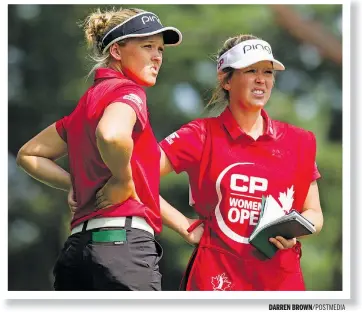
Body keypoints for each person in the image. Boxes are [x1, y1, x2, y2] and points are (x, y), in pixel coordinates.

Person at [16, 7, 185, 291]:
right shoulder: (128, 92)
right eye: (147, 47)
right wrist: (122, 179)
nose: (157, 56)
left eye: (160, 49)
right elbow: (111, 134)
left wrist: (75, 183)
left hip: (77, 252)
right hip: (123, 249)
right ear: (117, 51)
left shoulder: (85, 105)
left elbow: (28, 155)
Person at [157, 34, 324, 291]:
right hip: (217, 281)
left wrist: (294, 232)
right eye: (251, 71)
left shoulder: (299, 141)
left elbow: (313, 212)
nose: (261, 79)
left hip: (280, 283)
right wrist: (185, 226)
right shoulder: (200, 134)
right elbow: (135, 174)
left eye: (268, 72)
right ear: (225, 80)